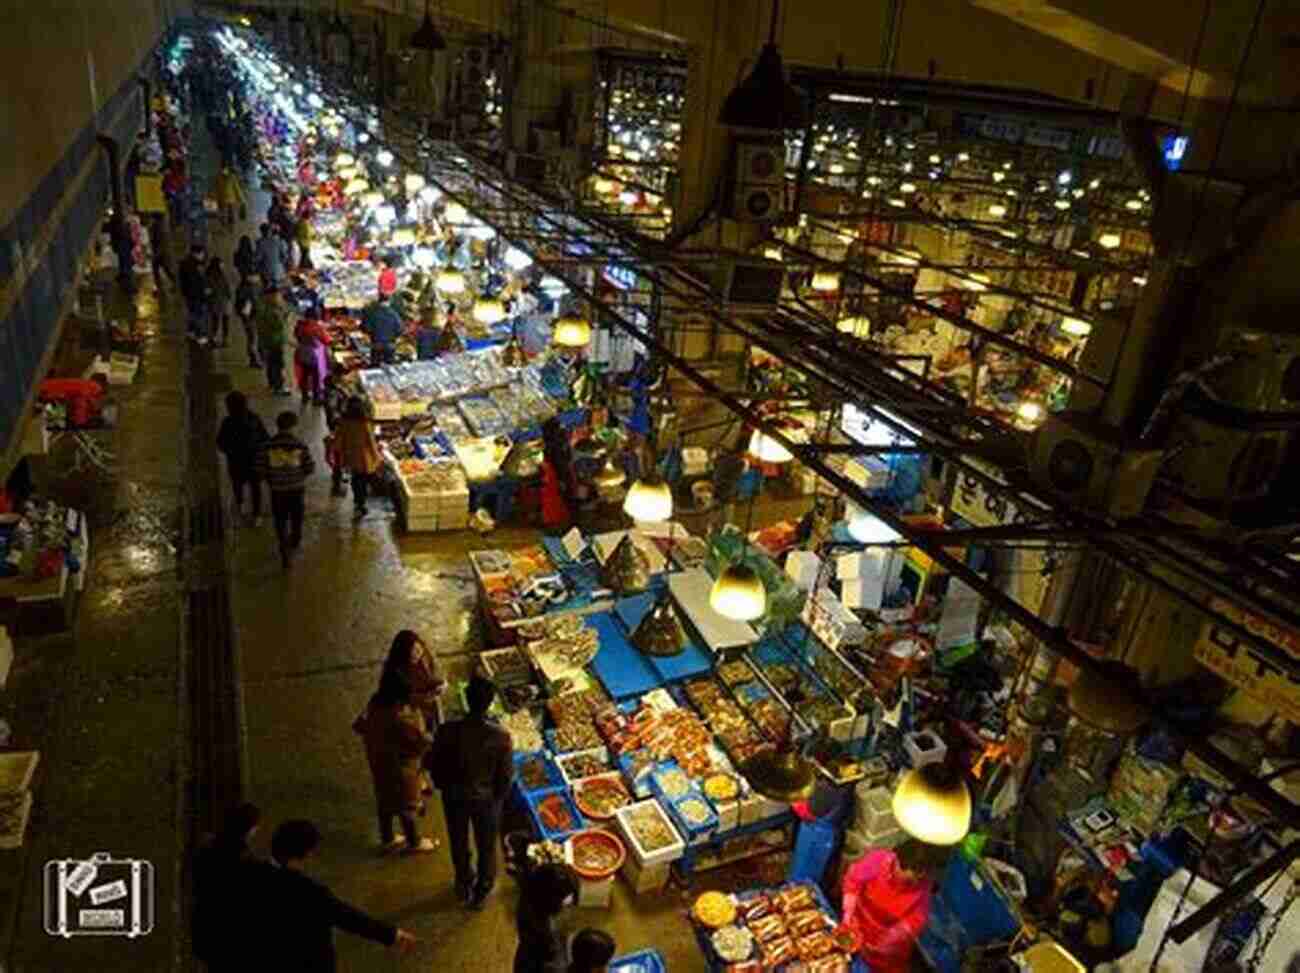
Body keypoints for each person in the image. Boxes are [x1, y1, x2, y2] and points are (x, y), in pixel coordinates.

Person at [254, 819, 417, 971]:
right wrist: (392, 934)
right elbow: (348, 917)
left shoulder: (251, 874)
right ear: (305, 854)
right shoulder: (309, 891)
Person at [428, 676, 512, 909]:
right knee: (486, 847)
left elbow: (434, 764)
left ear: (466, 700)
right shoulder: (500, 737)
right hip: (485, 801)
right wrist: (498, 799)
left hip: (454, 797)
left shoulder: (446, 731)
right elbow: (505, 777)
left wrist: (443, 785)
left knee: (458, 841)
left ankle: (463, 882)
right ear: (490, 704)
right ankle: (482, 890)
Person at [353, 669, 437, 855]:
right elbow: (419, 744)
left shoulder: (376, 702)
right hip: (402, 768)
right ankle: (414, 842)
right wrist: (429, 740)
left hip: (379, 761)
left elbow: (359, 725)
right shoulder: (401, 718)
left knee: (385, 800)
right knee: (407, 806)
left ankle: (388, 838)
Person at [840, 839, 947, 973]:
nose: (915, 880)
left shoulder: (922, 888)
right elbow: (853, 881)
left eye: (919, 876)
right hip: (855, 929)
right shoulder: (878, 860)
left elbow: (914, 922)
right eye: (907, 874)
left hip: (884, 955)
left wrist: (886, 942)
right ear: (897, 860)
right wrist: (848, 912)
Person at [192, 802, 262, 972]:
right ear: (250, 828)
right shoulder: (246, 860)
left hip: (207, 924)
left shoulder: (207, 849)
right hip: (233, 932)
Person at [255, 410, 314, 569]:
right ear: (293, 426)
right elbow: (309, 467)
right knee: (296, 517)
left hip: (277, 490)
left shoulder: (267, 446)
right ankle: (295, 540)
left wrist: (271, 478)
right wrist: (298, 474)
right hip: (296, 489)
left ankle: (283, 547)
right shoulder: (300, 445)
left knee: (280, 519)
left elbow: (260, 469)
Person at [514, 863, 580, 973]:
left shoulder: (529, 897)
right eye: (564, 896)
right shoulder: (544, 933)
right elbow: (552, 965)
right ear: (552, 900)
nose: (568, 901)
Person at [216, 391, 268, 523]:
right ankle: (257, 514)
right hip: (254, 461)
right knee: (256, 488)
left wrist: (229, 451)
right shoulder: (254, 419)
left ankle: (240, 507)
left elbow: (221, 442)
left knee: (237, 485)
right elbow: (265, 438)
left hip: (235, 461)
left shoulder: (228, 422)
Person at [381, 630, 445, 730]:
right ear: (403, 652)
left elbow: (428, 679)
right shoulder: (395, 674)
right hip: (406, 723)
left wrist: (440, 684)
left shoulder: (421, 661)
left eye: (419, 650)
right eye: (413, 651)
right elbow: (405, 700)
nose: (417, 654)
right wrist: (429, 696)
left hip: (422, 717)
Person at [334, 397, 382, 517]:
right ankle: (361, 504)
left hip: (350, 455)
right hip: (363, 456)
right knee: (362, 479)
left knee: (356, 479)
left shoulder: (344, 421)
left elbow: (338, 441)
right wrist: (377, 456)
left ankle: (358, 502)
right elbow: (371, 442)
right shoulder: (364, 422)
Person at [255, 286, 292, 396]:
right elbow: (278, 325)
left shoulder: (262, 306)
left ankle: (272, 384)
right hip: (274, 341)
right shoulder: (270, 310)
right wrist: (285, 316)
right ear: (270, 296)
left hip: (267, 340)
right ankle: (278, 387)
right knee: (277, 364)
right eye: (277, 295)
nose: (279, 297)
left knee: (271, 364)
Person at [293, 311, 332, 408]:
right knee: (316, 377)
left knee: (304, 376)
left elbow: (296, 336)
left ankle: (305, 396)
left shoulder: (299, 325)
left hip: (301, 353)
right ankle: (316, 398)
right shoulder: (316, 327)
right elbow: (326, 340)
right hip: (314, 356)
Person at [179, 243, 211, 344]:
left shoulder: (185, 264)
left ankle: (191, 332)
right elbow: (197, 281)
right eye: (201, 253)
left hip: (189, 294)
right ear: (196, 254)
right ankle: (200, 335)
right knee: (200, 315)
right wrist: (205, 290)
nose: (203, 256)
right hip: (197, 295)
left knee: (192, 313)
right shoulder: (196, 265)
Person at [360, 292, 402, 366]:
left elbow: (366, 328)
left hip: (376, 346)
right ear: (390, 301)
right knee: (389, 368)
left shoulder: (372, 313)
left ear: (378, 300)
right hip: (390, 346)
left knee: (375, 367)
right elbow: (399, 330)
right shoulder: (394, 315)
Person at [234, 272, 261, 367]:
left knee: (253, 337)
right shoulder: (246, 288)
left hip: (253, 315)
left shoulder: (254, 287)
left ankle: (255, 358)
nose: (257, 277)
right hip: (250, 316)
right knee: (253, 337)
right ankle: (254, 359)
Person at [205, 256, 232, 347]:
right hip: (222, 302)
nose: (223, 265)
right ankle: (224, 339)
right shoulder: (221, 275)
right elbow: (227, 288)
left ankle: (214, 338)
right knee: (224, 321)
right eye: (221, 263)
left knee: (215, 321)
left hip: (215, 302)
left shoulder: (209, 275)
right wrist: (229, 297)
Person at [256, 222, 288, 289]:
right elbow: (285, 257)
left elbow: (258, 258)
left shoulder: (260, 243)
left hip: (267, 274)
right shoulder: (280, 241)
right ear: (270, 231)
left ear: (261, 232)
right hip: (279, 273)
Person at [215, 163, 246, 229]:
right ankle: (226, 226)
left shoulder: (231, 177)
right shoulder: (219, 177)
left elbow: (237, 189)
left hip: (228, 200)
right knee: (224, 214)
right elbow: (216, 189)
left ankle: (230, 227)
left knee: (229, 214)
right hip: (224, 200)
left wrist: (242, 200)